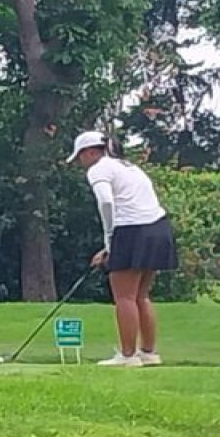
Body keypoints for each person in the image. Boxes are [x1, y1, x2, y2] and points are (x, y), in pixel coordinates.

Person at [67, 131, 178, 367]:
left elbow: (106, 202)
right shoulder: (129, 167)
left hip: (132, 230)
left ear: (89, 152)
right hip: (158, 228)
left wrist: (110, 241)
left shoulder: (98, 169)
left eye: (79, 157)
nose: (80, 163)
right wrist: (109, 245)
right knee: (141, 296)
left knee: (124, 297)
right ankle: (148, 353)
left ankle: (128, 357)